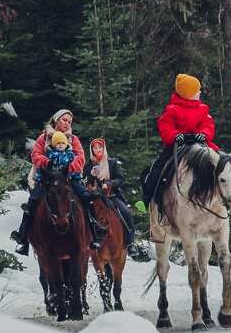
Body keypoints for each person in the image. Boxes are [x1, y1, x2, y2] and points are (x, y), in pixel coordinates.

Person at [10, 108, 107, 255]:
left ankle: (94, 232)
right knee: (33, 201)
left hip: (69, 179)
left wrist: (69, 167)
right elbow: (35, 155)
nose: (67, 123)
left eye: (69, 121)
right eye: (64, 120)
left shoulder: (73, 140)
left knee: (86, 197)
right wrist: (46, 163)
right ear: (56, 120)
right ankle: (23, 238)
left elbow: (81, 158)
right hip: (46, 180)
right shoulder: (44, 137)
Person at [141, 73, 220, 207]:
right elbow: (165, 127)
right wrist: (175, 135)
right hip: (177, 145)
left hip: (200, 144)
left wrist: (204, 134)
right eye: (197, 90)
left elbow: (209, 125)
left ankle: (224, 194)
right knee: (158, 167)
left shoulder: (203, 109)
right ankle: (150, 196)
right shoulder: (172, 110)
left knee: (221, 161)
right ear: (189, 93)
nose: (199, 92)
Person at [87, 137, 135, 244]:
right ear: (92, 150)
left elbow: (121, 178)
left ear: (104, 148)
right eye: (95, 148)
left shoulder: (112, 162)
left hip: (111, 195)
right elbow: (86, 180)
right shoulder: (90, 165)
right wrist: (91, 177)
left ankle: (130, 242)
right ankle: (87, 242)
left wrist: (109, 184)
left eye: (100, 147)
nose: (98, 150)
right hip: (95, 196)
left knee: (126, 213)